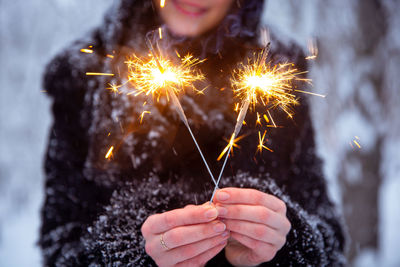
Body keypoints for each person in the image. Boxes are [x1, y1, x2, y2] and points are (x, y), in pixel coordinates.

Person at [39, 0, 346, 266]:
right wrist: (130, 251)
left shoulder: (278, 66)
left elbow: (330, 247)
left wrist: (286, 241)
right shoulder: (83, 74)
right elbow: (60, 248)